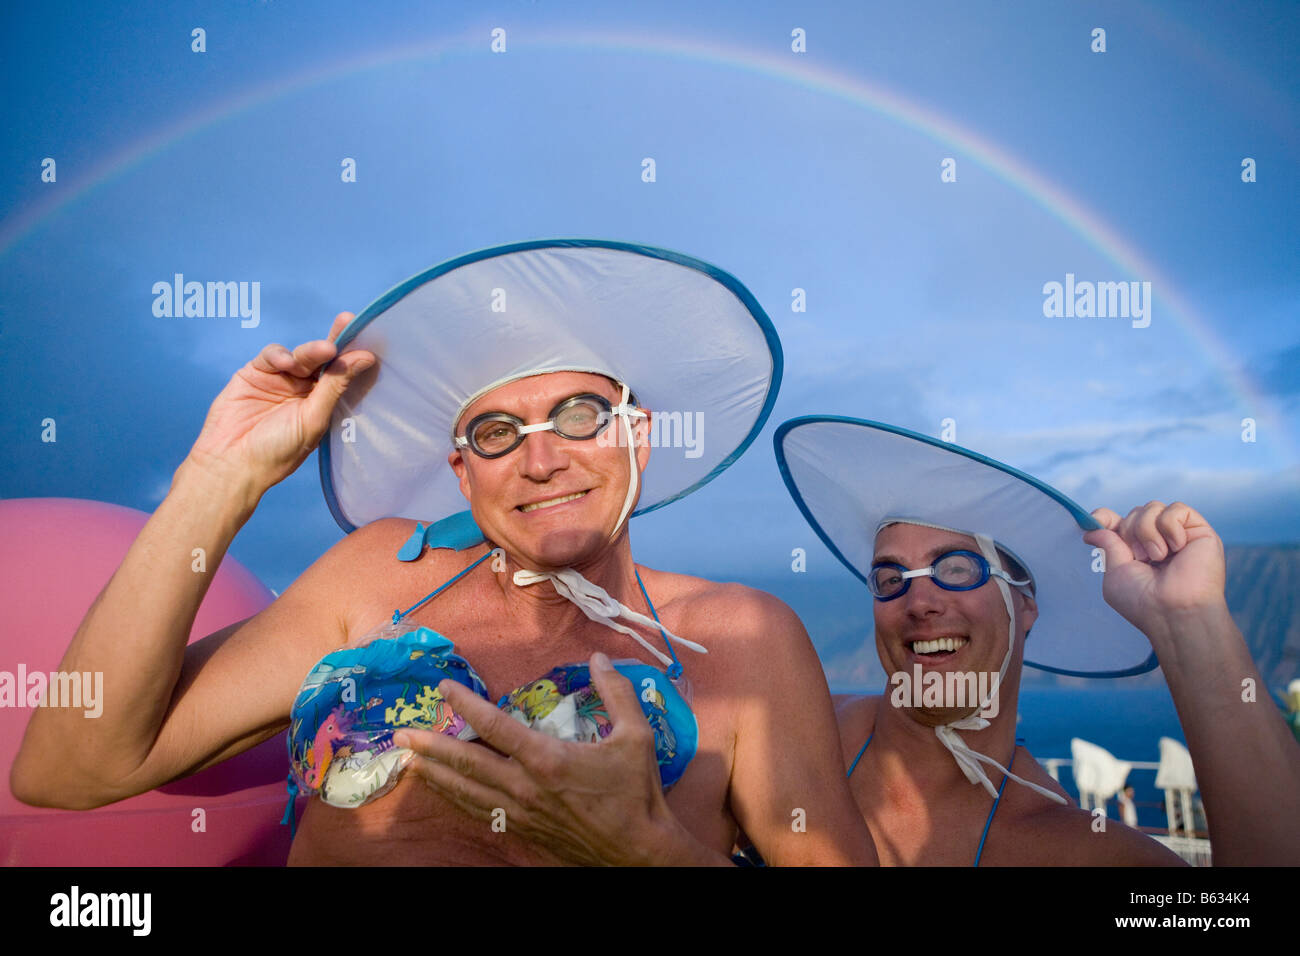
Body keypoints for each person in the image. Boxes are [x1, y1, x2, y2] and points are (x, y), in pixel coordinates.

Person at [9, 241, 876, 867]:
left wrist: (645, 855)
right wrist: (220, 476)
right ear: (463, 475)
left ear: (637, 439)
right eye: (498, 433)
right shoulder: (375, 578)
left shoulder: (740, 638)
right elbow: (73, 770)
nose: (543, 458)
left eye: (579, 414)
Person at [405, 415, 1300, 866]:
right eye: (889, 578)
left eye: (956, 570)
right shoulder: (787, 734)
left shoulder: (1086, 850)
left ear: (1026, 608)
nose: (917, 601)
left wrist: (1192, 624)